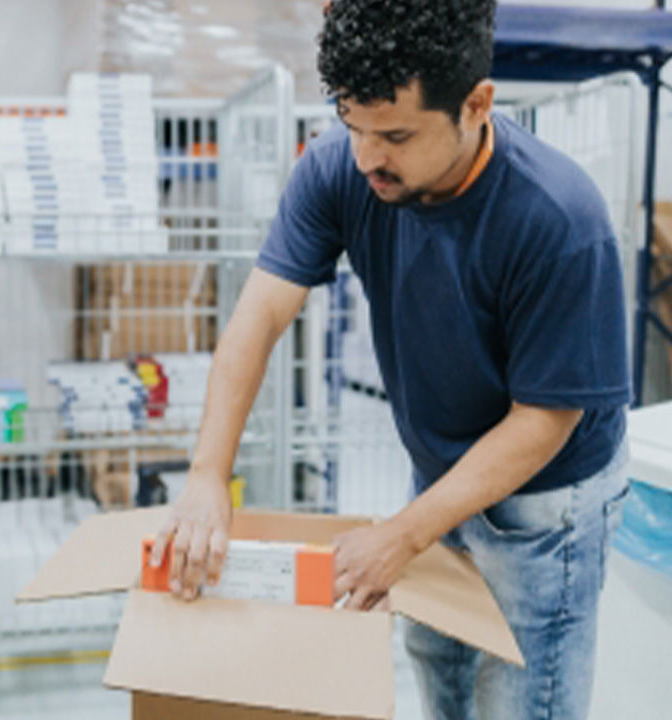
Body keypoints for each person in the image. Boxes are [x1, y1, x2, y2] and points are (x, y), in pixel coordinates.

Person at [148, 1, 631, 718]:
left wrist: (403, 534)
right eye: (354, 127)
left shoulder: (558, 219)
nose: (370, 156)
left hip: (543, 500)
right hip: (438, 468)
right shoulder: (341, 167)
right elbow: (259, 316)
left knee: (522, 699)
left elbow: (543, 423)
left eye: (396, 135)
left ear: (476, 104)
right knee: (441, 670)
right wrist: (207, 474)